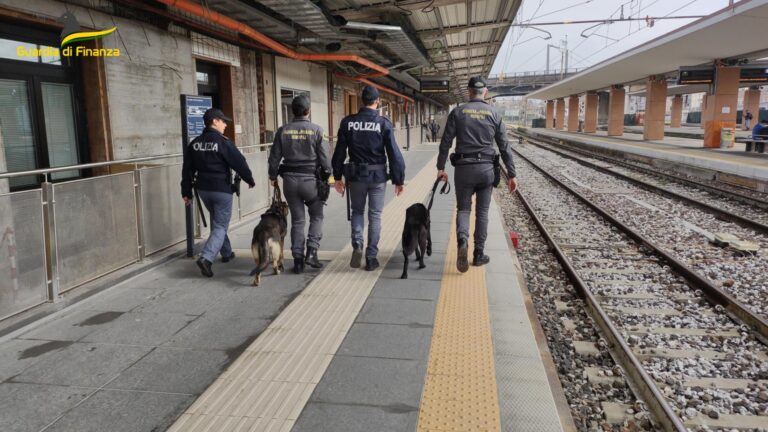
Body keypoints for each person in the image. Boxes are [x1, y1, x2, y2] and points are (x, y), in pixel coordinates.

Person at [437, 76, 518, 273]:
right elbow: (504, 146)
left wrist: (440, 168)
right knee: (482, 212)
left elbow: (446, 142)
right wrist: (512, 174)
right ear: (486, 92)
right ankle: (478, 254)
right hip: (486, 170)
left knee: (463, 209)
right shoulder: (494, 114)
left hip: (464, 169)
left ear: (469, 91)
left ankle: (462, 241)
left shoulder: (458, 112)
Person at [332, 85, 406, 271]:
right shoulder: (383, 123)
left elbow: (339, 152)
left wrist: (337, 177)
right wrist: (399, 179)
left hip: (356, 176)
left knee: (357, 211)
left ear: (361, 101)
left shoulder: (348, 123)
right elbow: (394, 154)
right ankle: (371, 257)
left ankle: (357, 244)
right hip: (378, 176)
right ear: (378, 101)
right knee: (375, 216)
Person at [182, 108, 255, 278]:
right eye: (223, 121)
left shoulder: (195, 144)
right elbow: (239, 162)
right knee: (221, 225)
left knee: (218, 221)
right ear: (214, 121)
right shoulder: (223, 142)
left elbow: (187, 170)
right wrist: (249, 179)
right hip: (221, 189)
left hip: (203, 190)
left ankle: (227, 253)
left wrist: (186, 192)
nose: (225, 124)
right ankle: (206, 258)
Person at [268, 95, 332, 274]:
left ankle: (297, 261)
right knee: (317, 216)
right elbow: (326, 159)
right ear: (308, 110)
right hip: (311, 181)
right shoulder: (317, 130)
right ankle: (311, 252)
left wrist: (273, 176)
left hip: (289, 182)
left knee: (297, 220)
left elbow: (274, 158)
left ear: (292, 110)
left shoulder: (283, 130)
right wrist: (328, 176)